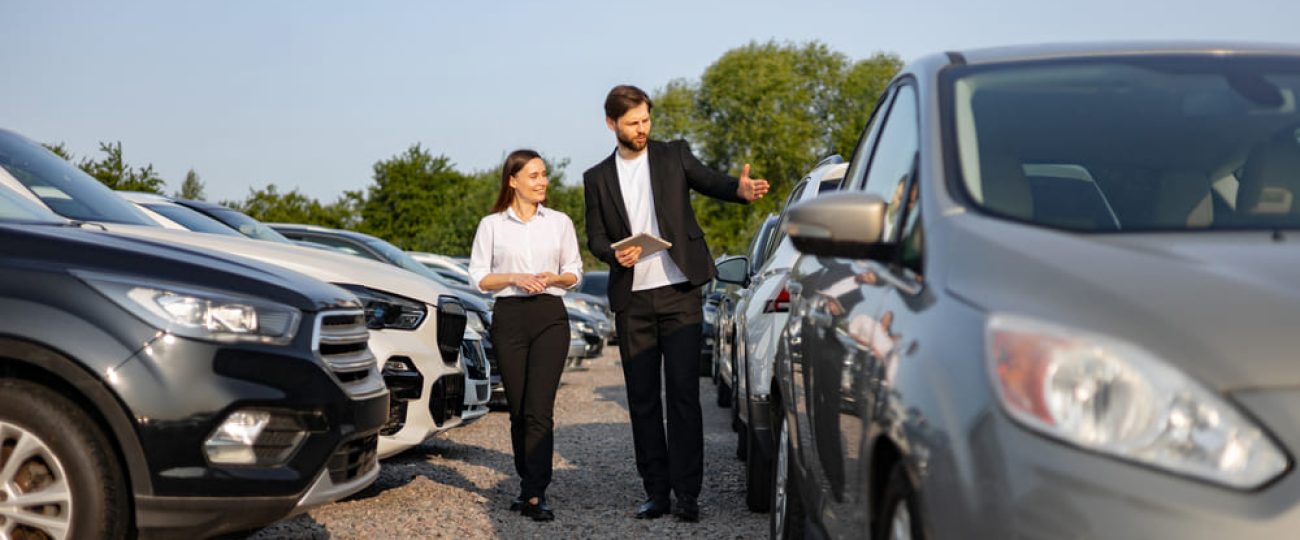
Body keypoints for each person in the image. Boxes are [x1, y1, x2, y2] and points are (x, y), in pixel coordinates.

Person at [582, 85, 769, 522]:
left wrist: (739, 191)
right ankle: (656, 493)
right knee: (643, 400)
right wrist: (613, 252)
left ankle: (688, 495)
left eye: (646, 119)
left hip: (680, 292)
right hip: (633, 300)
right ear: (612, 124)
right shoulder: (597, 178)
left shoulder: (673, 155)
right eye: (633, 123)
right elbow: (594, 236)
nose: (642, 129)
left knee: (684, 397)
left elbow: (712, 181)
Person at [468, 149, 582, 522]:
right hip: (510, 316)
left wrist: (553, 277)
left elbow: (575, 273)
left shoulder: (560, 222)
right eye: (533, 175)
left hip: (550, 315)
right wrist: (515, 277)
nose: (542, 181)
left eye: (544, 174)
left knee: (539, 410)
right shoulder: (492, 225)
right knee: (518, 410)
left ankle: (536, 492)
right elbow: (480, 278)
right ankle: (526, 483)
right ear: (512, 180)